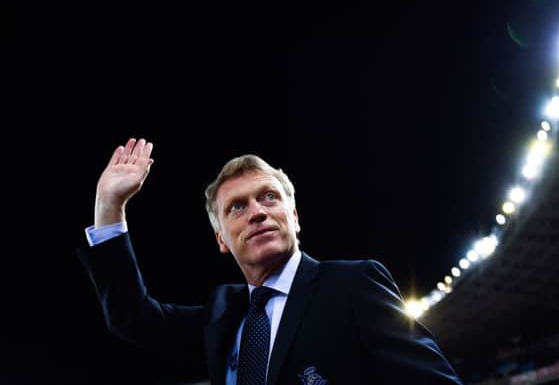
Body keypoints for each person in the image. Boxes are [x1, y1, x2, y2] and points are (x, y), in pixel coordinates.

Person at [78, 137, 463, 385]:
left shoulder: (353, 286)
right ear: (221, 240)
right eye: (237, 207)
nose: (257, 212)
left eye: (269, 197)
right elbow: (132, 317)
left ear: (294, 218)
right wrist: (109, 206)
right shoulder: (222, 316)